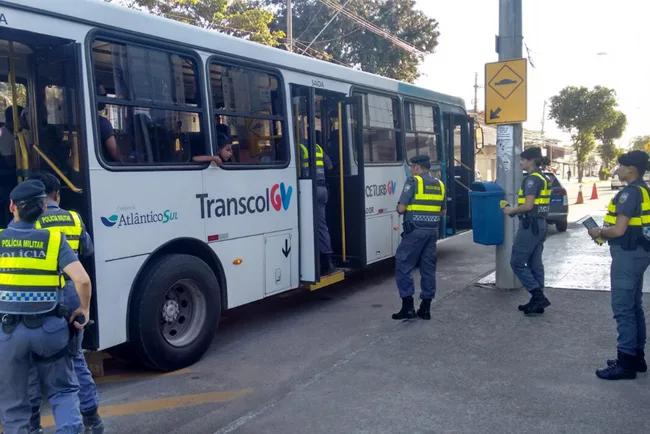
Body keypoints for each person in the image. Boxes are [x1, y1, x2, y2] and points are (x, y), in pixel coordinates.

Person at [0, 179, 91, 434]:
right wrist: (83, 309)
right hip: (50, 330)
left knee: (14, 405)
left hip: (8, 334)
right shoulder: (54, 240)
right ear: (42, 209)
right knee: (62, 391)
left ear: (11, 207)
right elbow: (82, 279)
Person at [25, 172, 104, 433]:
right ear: (57, 195)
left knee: (35, 363)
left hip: (44, 296)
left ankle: (32, 423)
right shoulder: (73, 218)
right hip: (73, 293)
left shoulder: (32, 221)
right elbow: (87, 250)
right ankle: (93, 418)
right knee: (75, 357)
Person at [588, 150, 650, 380]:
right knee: (634, 306)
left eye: (620, 166)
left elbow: (618, 230)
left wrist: (598, 231)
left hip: (627, 255)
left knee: (623, 308)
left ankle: (625, 364)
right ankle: (636, 358)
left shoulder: (629, 193)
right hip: (639, 253)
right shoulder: (644, 190)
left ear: (631, 169)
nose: (617, 169)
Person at [392, 155, 446, 320]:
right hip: (432, 232)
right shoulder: (440, 184)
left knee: (403, 263)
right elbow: (443, 212)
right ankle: (426, 308)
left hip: (415, 231)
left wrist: (401, 207)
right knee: (428, 269)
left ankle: (408, 307)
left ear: (417, 167)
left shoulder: (413, 181)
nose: (411, 170)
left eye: (412, 167)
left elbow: (401, 209)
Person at [502, 147, 552, 315]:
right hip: (540, 224)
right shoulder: (543, 177)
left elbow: (528, 205)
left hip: (530, 226)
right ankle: (537, 302)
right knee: (535, 264)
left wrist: (511, 210)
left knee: (516, 262)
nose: (521, 163)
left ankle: (537, 296)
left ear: (530, 161)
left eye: (523, 160)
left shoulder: (531, 179)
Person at [299, 131, 335, 275]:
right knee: (321, 225)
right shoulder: (318, 148)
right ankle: (328, 260)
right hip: (322, 189)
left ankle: (313, 261)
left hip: (308, 190)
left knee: (306, 226)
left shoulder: (299, 148)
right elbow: (330, 166)